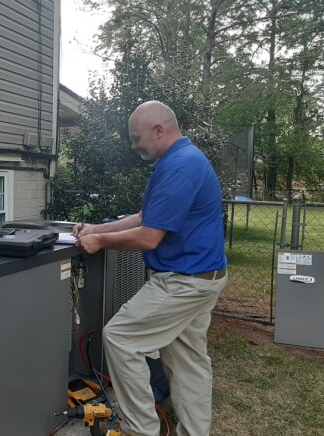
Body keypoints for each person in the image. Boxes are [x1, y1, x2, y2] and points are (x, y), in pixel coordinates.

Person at [73, 101, 227, 436]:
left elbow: (148, 237)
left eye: (136, 138)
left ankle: (141, 429)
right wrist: (97, 229)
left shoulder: (180, 166)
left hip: (184, 281)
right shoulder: (178, 160)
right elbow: (146, 218)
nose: (134, 146)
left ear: (159, 130)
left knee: (120, 338)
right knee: (186, 361)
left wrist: (99, 243)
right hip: (203, 277)